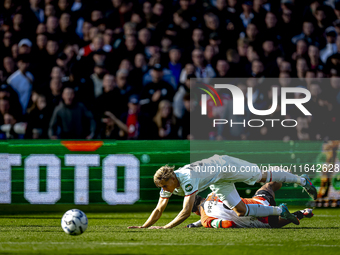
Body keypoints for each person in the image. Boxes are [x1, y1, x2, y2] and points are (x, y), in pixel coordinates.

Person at [128, 154, 317, 229]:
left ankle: (302, 180)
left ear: (171, 179)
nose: (164, 190)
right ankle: (279, 211)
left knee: (262, 176)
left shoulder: (185, 179)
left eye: (164, 186)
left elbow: (186, 212)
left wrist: (164, 227)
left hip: (225, 165)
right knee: (241, 210)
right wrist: (144, 227)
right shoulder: (170, 183)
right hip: (217, 179)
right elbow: (159, 208)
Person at [187, 182, 314, 229]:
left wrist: (208, 225)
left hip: (260, 220)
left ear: (194, 212)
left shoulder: (205, 219)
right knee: (269, 186)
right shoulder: (213, 193)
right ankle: (296, 178)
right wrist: (196, 224)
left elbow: (227, 223)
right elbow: (215, 208)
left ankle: (301, 213)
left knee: (274, 223)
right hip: (259, 202)